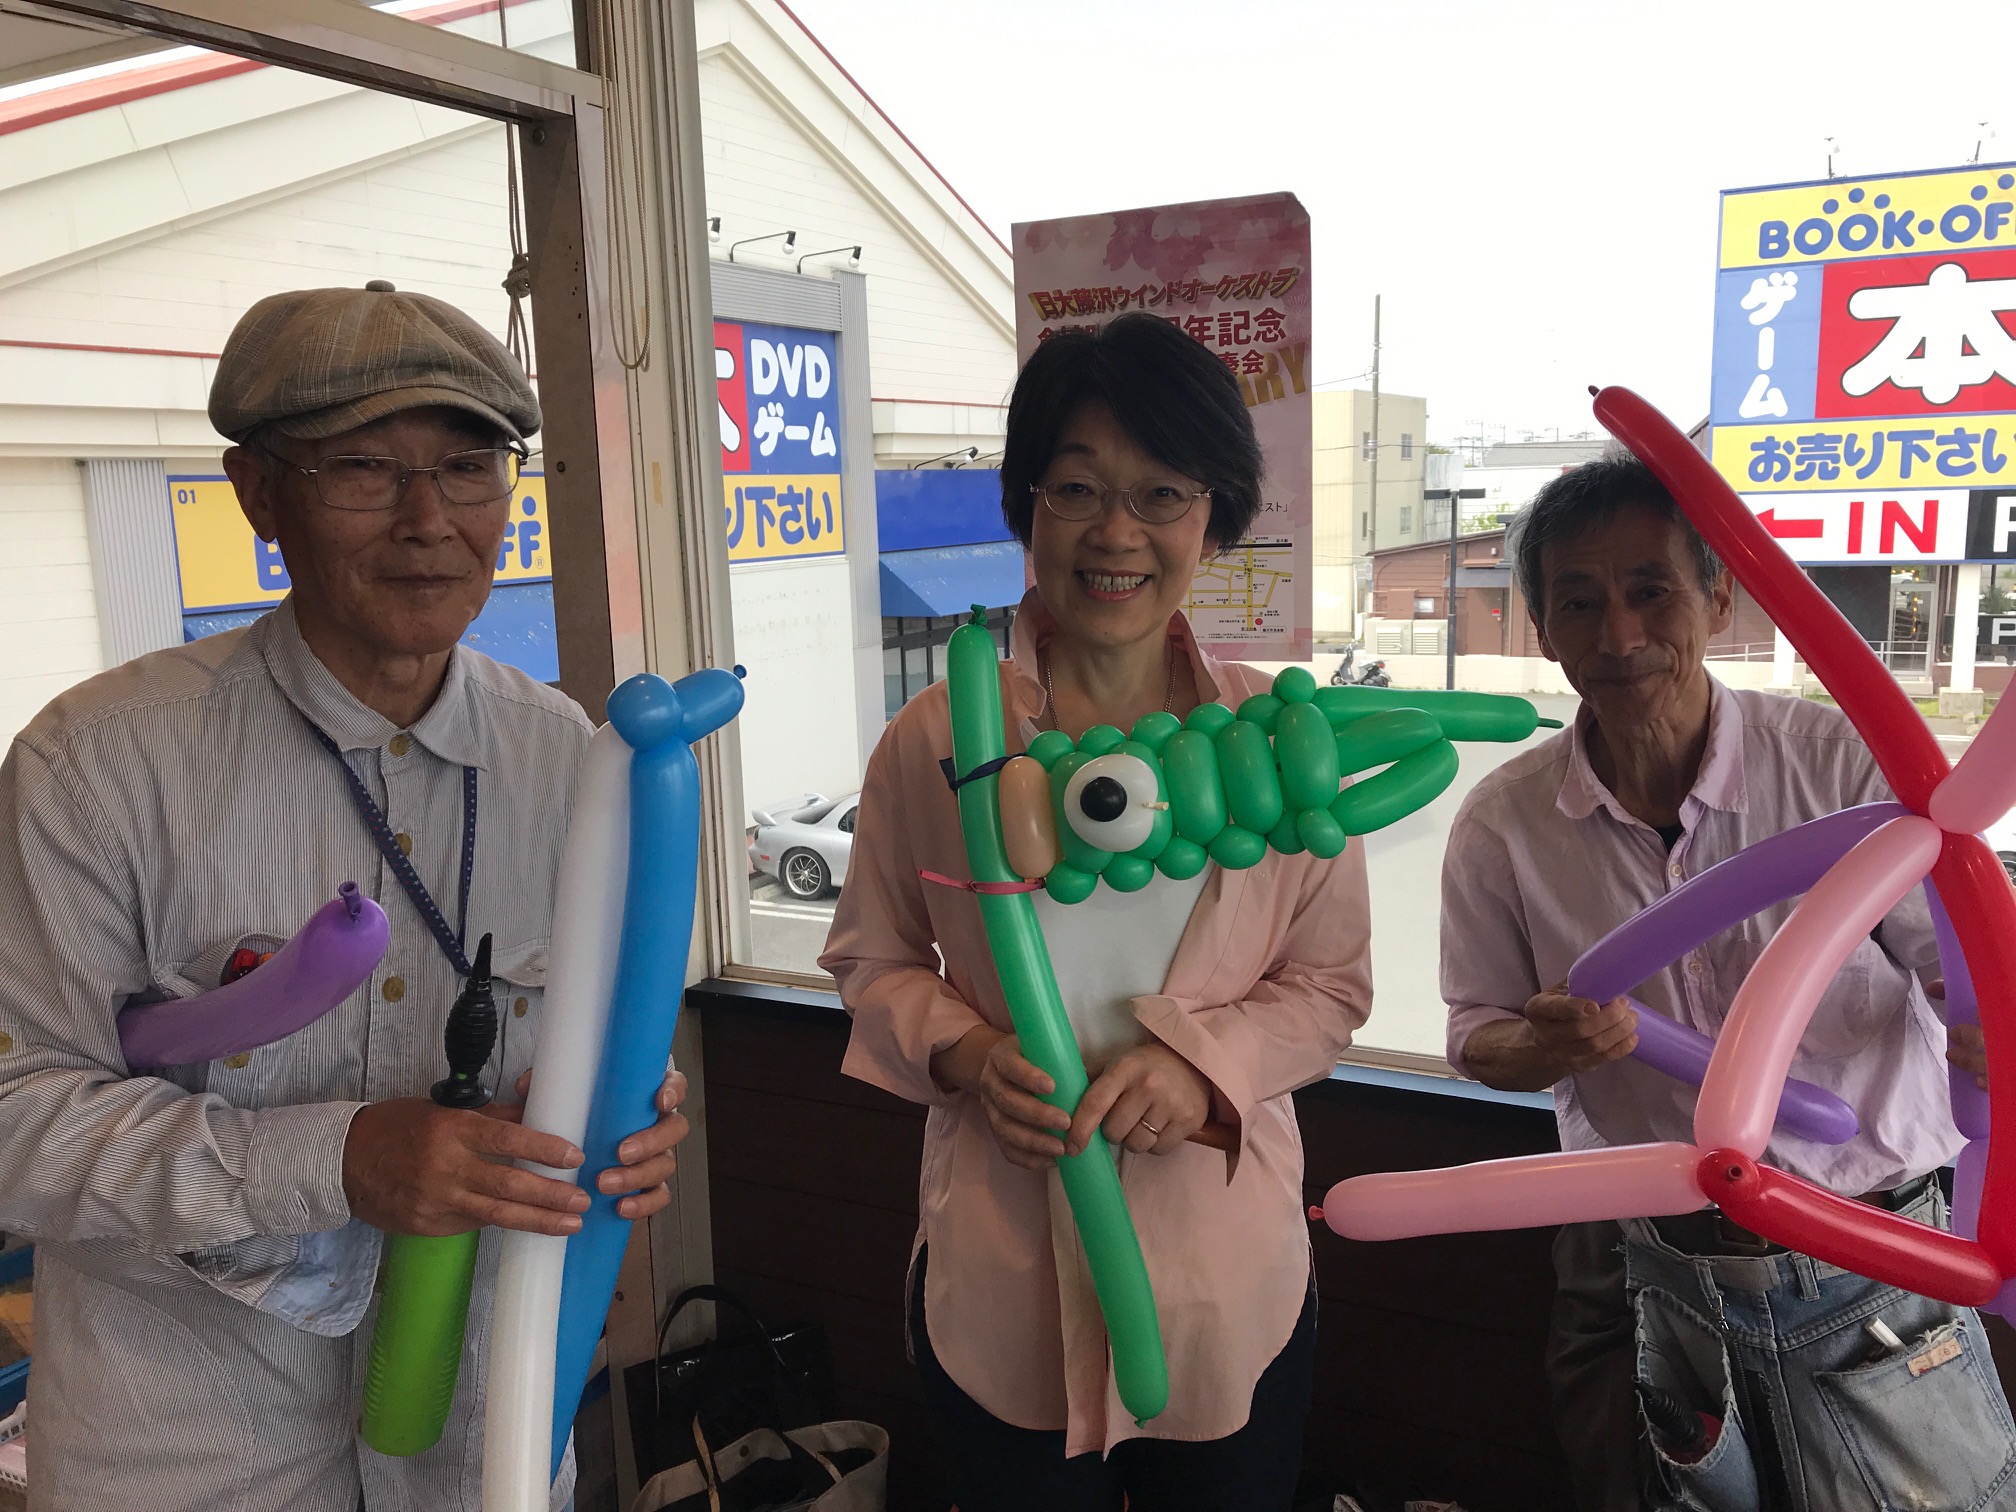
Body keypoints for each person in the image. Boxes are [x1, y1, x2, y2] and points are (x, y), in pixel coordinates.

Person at [0, 281, 689, 1510]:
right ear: (259, 492)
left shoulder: (567, 760)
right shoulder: (97, 765)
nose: (429, 521)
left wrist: (626, 1111)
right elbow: (15, 1117)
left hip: (479, 1446)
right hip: (186, 1459)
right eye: (366, 468)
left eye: (469, 469)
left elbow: (592, 1032)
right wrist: (333, 1158)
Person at [822, 313, 1372, 1512]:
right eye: (1075, 488)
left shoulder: (1280, 749)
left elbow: (1330, 988)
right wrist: (971, 1055)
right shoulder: (936, 741)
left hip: (1225, 1291)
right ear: (1028, 508)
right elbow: (871, 961)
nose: (1117, 533)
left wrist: (1204, 1069)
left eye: (1161, 493)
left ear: (1213, 518)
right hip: (1001, 1289)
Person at [1441, 451, 2016, 1511]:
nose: (1620, 635)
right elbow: (1477, 1035)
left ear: (1716, 599)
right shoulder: (1503, 824)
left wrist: (1995, 1031)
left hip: (1875, 1246)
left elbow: (1965, 969)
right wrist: (1544, 1045)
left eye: (1650, 590)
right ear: (1544, 629)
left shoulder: (1841, 766)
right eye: (1580, 602)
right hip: (1644, 1261)